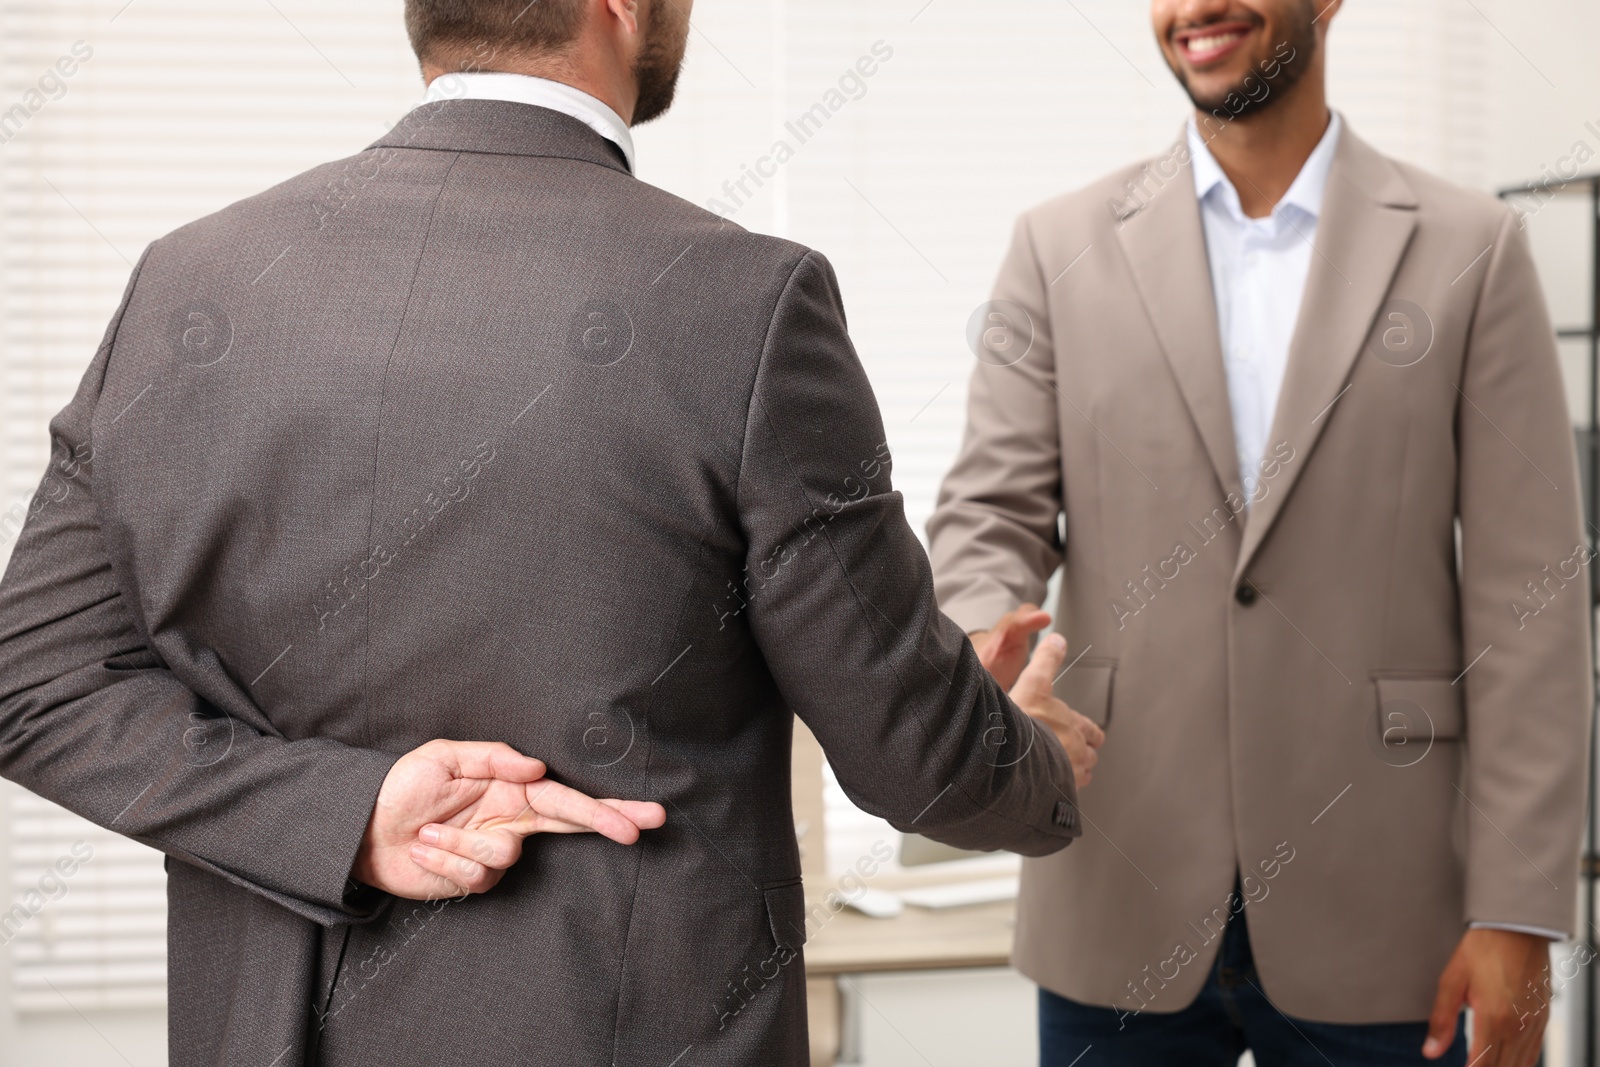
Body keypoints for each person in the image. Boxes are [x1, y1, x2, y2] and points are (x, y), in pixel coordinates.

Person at [0, 2, 1101, 1064]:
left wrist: (348, 814)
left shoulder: (186, 283)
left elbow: (34, 684)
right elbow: (917, 759)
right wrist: (1029, 750)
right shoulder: (745, 303)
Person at [929, 1, 1590, 1065]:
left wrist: (1521, 909)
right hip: (1118, 869)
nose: (1191, 8)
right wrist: (984, 655)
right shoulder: (1057, 246)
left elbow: (1530, 601)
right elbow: (986, 511)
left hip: (1384, 898)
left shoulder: (1472, 247)